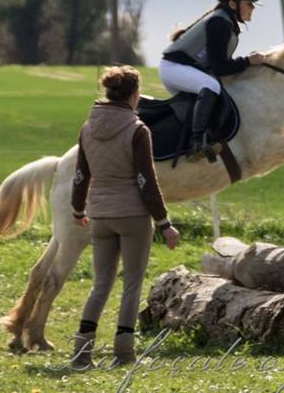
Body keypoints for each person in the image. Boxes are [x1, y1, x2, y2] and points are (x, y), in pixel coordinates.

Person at [69, 65, 180, 369]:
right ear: (134, 94)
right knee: (132, 283)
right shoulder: (137, 129)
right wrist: (164, 224)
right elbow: (146, 181)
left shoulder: (87, 128)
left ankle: (81, 354)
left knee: (100, 283)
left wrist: (78, 210)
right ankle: (124, 353)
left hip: (99, 215)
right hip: (132, 215)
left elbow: (80, 175)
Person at [160, 0, 267, 160]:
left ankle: (207, 135)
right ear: (233, 4)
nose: (252, 8)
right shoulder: (220, 22)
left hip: (182, 68)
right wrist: (248, 62)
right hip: (174, 67)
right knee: (211, 86)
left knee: (216, 88)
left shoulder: (226, 21)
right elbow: (220, 68)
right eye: (249, 3)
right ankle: (196, 143)